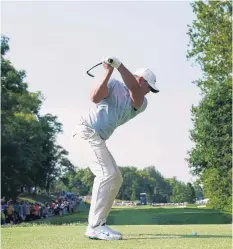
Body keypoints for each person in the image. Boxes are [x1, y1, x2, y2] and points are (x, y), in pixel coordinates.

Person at [72, 57, 159, 240]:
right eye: (149, 87)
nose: (149, 92)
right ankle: (95, 226)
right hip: (86, 131)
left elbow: (135, 91)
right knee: (107, 174)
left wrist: (118, 65)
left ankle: (100, 224)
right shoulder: (113, 84)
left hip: (97, 138)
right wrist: (108, 72)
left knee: (116, 177)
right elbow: (94, 97)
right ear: (141, 79)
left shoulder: (141, 103)